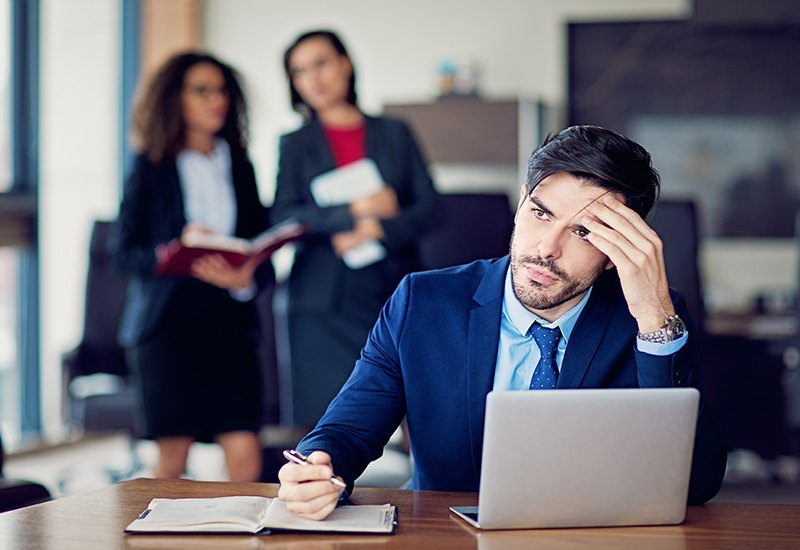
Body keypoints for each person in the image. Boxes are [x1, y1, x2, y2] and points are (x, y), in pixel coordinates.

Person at [277, 125, 728, 519]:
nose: (547, 248)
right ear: (520, 205)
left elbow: (696, 484)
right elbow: (347, 430)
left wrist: (653, 319)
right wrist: (320, 467)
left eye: (584, 232)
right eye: (540, 213)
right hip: (444, 536)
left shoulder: (652, 319)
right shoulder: (422, 302)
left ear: (617, 254)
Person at [112, 52, 272, 481]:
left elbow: (261, 250)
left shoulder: (241, 166)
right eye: (202, 90)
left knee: (245, 455)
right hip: (168, 327)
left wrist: (246, 278)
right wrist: (175, 249)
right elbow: (123, 252)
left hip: (229, 327)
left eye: (221, 91)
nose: (216, 100)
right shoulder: (151, 166)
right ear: (174, 99)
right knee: (171, 462)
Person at [271, 30, 439, 428]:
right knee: (322, 419)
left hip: (392, 285)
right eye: (299, 71)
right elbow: (283, 216)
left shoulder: (394, 132)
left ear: (345, 64)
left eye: (321, 63)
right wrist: (352, 211)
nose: (313, 77)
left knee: (421, 407)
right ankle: (320, 490)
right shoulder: (294, 144)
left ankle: (424, 491)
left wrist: (376, 230)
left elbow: (431, 208)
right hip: (321, 299)